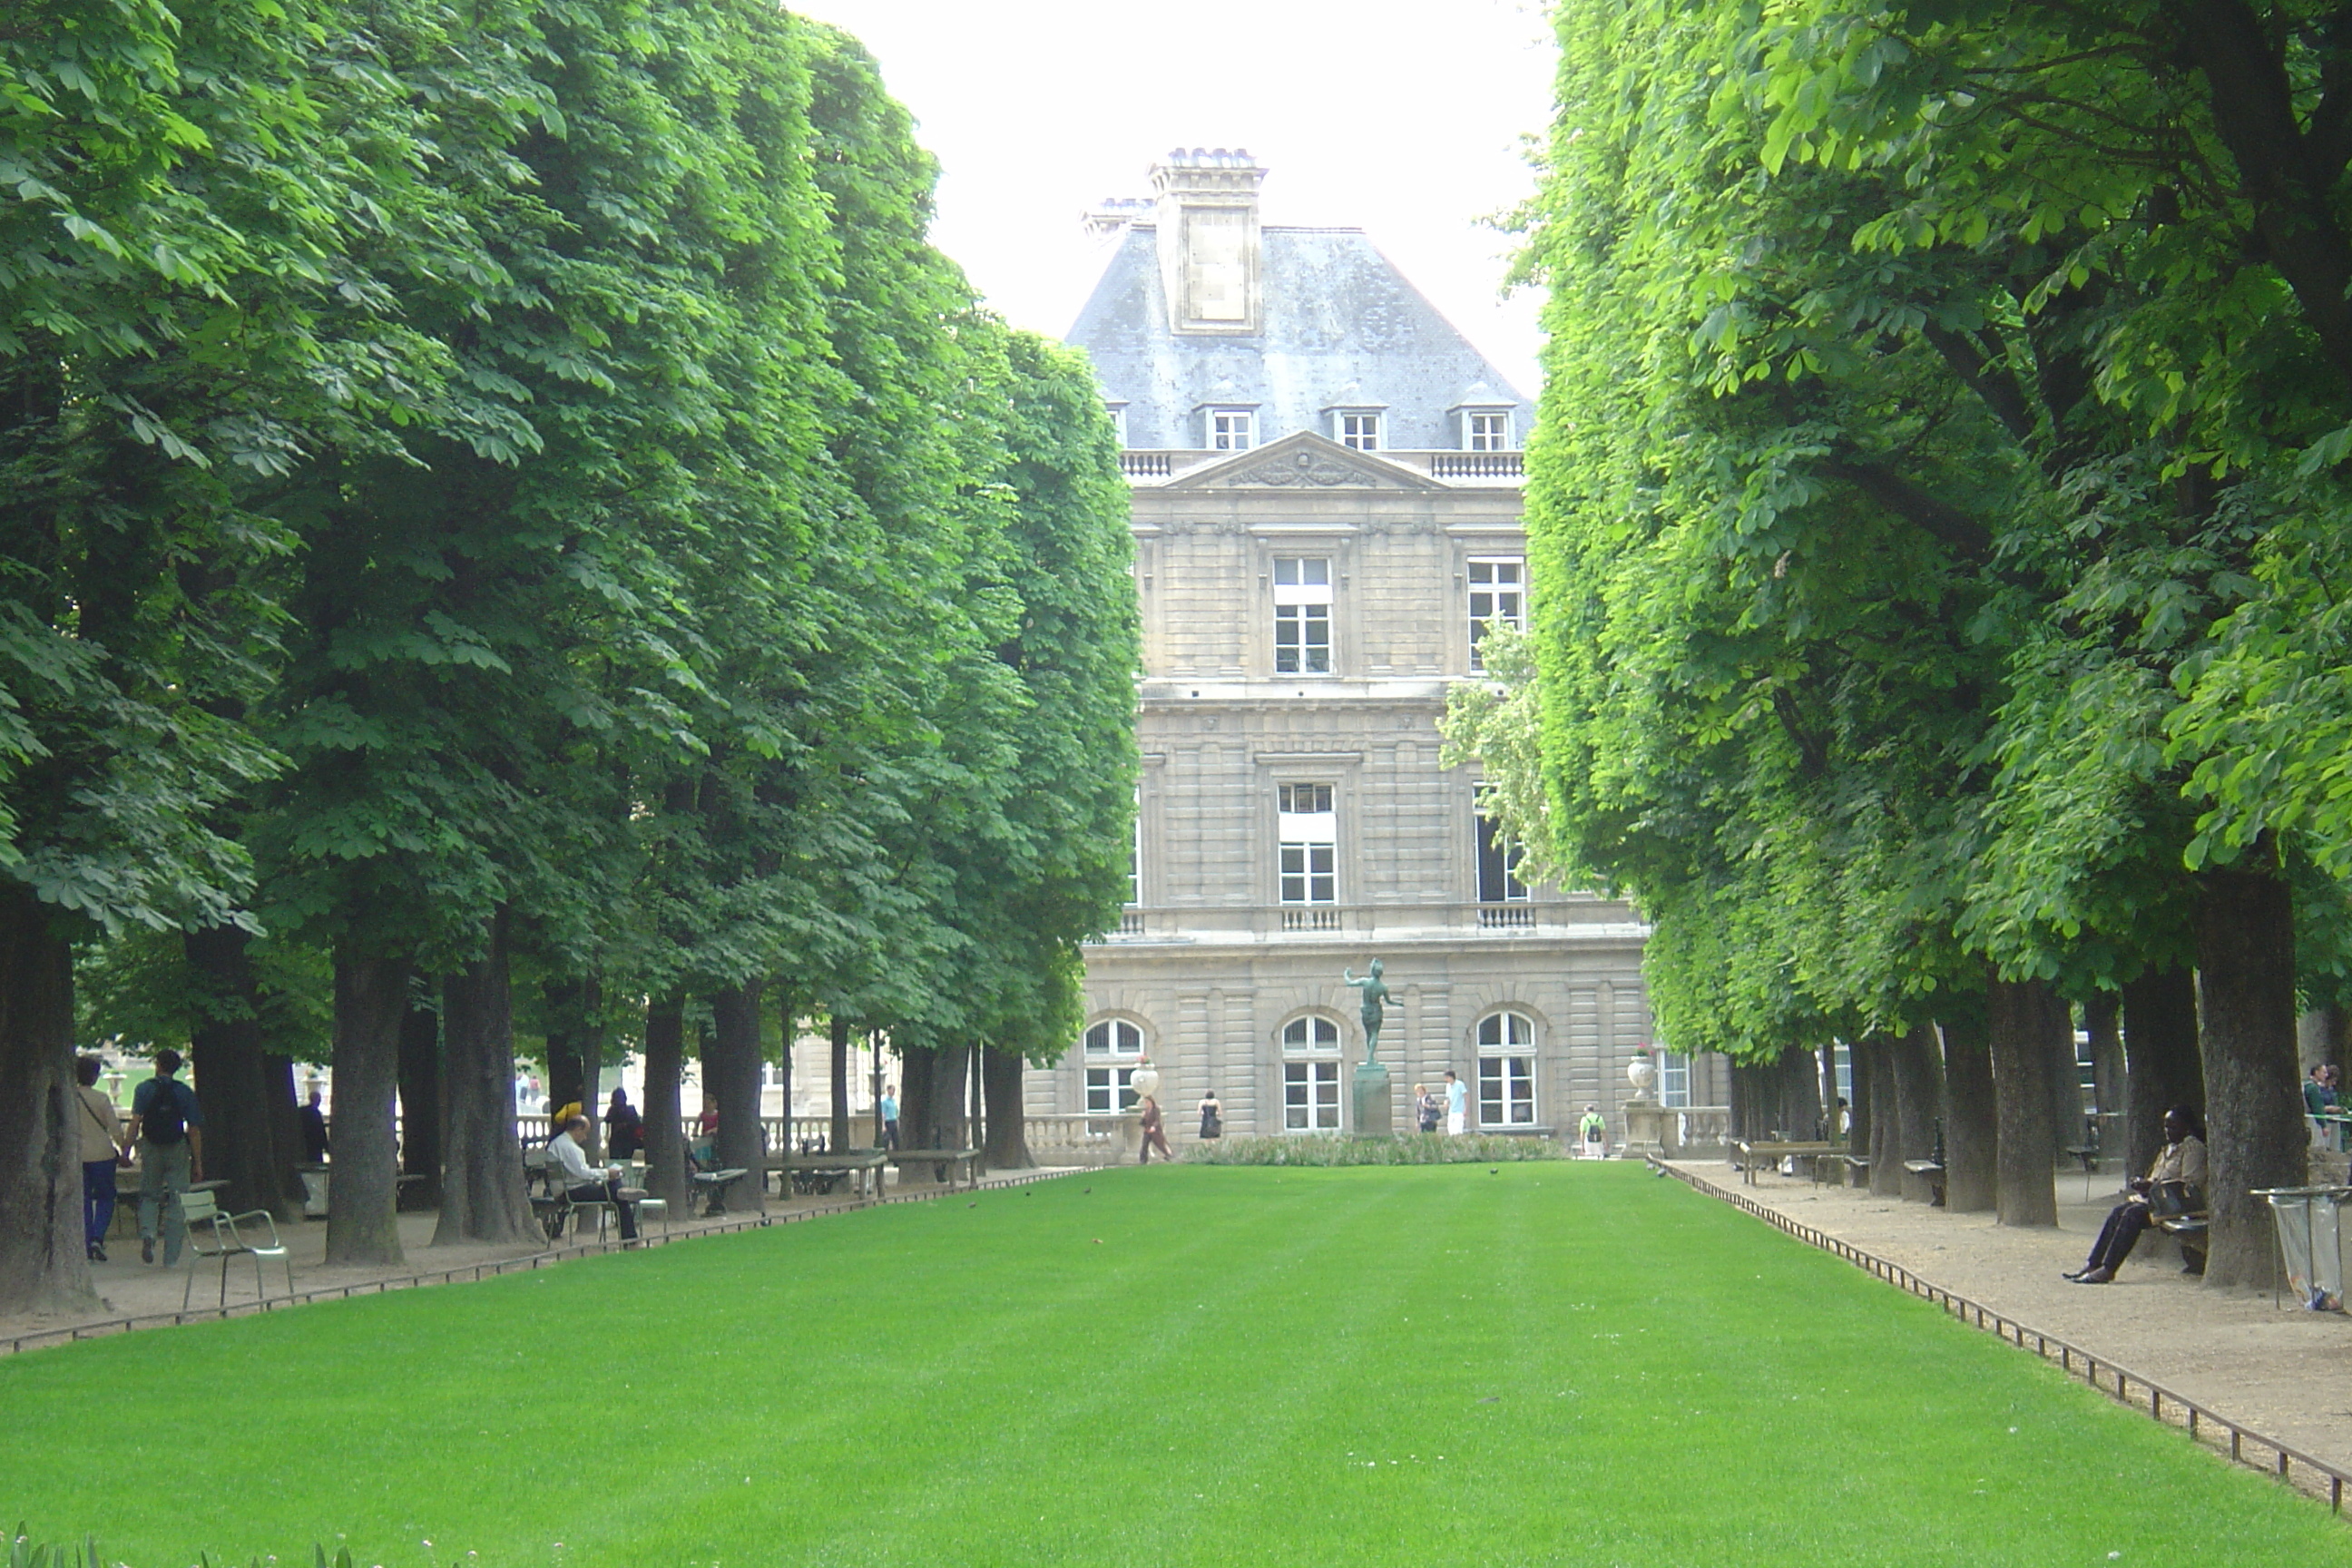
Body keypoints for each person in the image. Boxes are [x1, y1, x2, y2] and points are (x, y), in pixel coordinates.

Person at [2067, 1105, 2207, 1284]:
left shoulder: (2193, 1149)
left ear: (2186, 1128)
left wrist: (2153, 1185)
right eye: (2166, 1126)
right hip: (2159, 1201)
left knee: (2132, 1215)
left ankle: (2109, 1269)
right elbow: (2156, 1176)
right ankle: (2094, 1263)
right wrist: (2144, 1184)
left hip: (2179, 1204)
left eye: (2173, 1127)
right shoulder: (2168, 1149)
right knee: (2118, 1211)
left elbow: (2190, 1183)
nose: (2167, 1131)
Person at [122, 1048, 202, 1266]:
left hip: (151, 1146)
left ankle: (148, 1233)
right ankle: (171, 1257)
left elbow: (135, 1122)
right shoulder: (184, 1092)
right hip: (176, 1147)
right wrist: (197, 1162)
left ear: (158, 1065)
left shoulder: (144, 1089)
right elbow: (193, 1129)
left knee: (149, 1194)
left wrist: (126, 1150)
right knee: (178, 1200)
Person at [550, 1114, 638, 1240]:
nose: (585, 1137)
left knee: (616, 1189)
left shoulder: (557, 1144)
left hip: (565, 1189)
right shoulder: (571, 1148)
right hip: (571, 1192)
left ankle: (622, 1191)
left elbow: (578, 1174)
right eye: (585, 1133)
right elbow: (583, 1173)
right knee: (619, 1195)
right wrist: (607, 1173)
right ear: (578, 1129)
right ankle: (631, 1239)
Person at [74, 1057, 122, 1262]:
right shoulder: (101, 1099)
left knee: (83, 1200)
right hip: (102, 1154)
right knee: (106, 1196)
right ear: (94, 1076)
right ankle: (97, 1236)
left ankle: (86, 1242)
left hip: (77, 1155)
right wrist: (125, 1148)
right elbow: (115, 1129)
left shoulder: (68, 1098)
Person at [603, 1088, 644, 1161]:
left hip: (615, 1141)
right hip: (629, 1141)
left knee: (614, 1162)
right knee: (626, 1162)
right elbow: (637, 1123)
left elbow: (607, 1121)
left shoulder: (612, 1110)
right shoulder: (631, 1109)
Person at [298, 1087, 329, 1164]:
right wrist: (327, 1147)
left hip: (305, 1143)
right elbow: (321, 1132)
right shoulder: (316, 1113)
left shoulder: (301, 1111)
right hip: (315, 1145)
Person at [1138, 1095, 1174, 1163]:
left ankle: (1168, 1155)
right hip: (1147, 1130)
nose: (1146, 1104)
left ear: (1151, 1102)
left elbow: (1157, 1120)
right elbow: (1142, 1123)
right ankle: (1143, 1160)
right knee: (1144, 1145)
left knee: (1160, 1144)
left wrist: (1154, 1126)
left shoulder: (1156, 1109)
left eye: (1147, 1102)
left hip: (1155, 1131)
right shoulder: (1146, 1111)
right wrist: (1143, 1117)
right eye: (1145, 1102)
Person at [1444, 1070, 1468, 1136]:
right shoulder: (1448, 1086)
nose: (1446, 1079)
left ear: (1452, 1077)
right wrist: (1446, 1103)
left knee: (1458, 1131)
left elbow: (1466, 1096)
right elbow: (1448, 1097)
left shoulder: (1460, 1084)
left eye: (1447, 1077)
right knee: (1450, 1130)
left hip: (1459, 1111)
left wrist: (1465, 1109)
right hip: (1451, 1111)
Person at [879, 1083, 900, 1150]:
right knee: (886, 1139)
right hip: (888, 1122)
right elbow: (883, 1113)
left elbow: (896, 1112)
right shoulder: (884, 1102)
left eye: (894, 1090)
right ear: (888, 1090)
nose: (893, 1091)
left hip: (893, 1121)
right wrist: (883, 1125)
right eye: (892, 1090)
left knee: (896, 1139)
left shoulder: (894, 1101)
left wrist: (897, 1121)